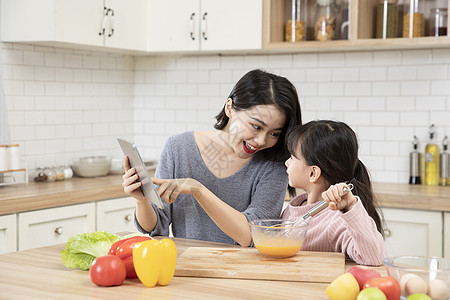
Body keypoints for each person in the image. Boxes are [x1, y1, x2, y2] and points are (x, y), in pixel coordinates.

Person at [122, 69, 302, 247]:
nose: (262, 140)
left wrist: (198, 190)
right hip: (188, 266)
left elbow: (252, 235)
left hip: (242, 272)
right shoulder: (179, 148)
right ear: (230, 108)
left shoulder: (274, 167)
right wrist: (142, 200)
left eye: (274, 133)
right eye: (256, 126)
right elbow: (156, 226)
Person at [282, 120, 385, 266]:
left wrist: (351, 206)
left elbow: (374, 257)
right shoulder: (296, 207)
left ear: (313, 173)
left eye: (292, 157)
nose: (287, 162)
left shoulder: (335, 221)